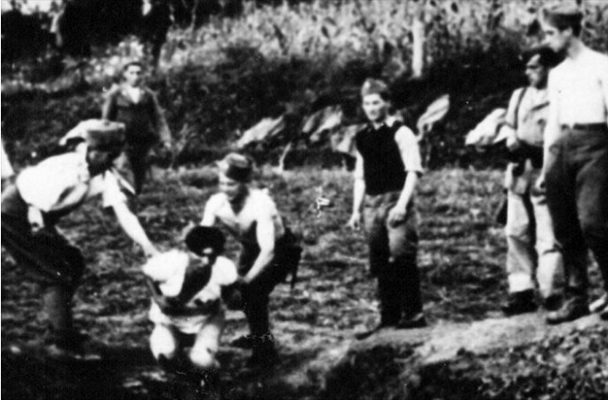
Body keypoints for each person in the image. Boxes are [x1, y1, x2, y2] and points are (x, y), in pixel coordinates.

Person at [1, 119, 160, 357]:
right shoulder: (66, 166)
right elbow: (28, 186)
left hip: (39, 217)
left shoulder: (105, 177)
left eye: (112, 154)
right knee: (55, 272)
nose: (106, 159)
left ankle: (60, 327)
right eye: (101, 152)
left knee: (73, 261)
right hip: (14, 214)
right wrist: (37, 222)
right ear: (89, 149)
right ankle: (60, 342)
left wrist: (147, 245)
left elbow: (124, 213)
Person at [200, 153, 302, 368]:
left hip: (280, 250)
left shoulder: (260, 204)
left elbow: (268, 250)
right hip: (250, 249)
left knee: (253, 293)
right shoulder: (216, 202)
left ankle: (265, 354)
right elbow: (202, 236)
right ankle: (259, 334)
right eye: (222, 183)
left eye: (231, 184)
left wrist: (245, 281)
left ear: (244, 183)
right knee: (238, 297)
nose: (225, 189)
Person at [541, 5, 608, 323]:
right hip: (561, 148)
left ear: (569, 31)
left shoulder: (601, 65)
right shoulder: (557, 73)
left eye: (551, 33)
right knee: (565, 227)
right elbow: (553, 123)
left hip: (595, 145)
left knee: (593, 222)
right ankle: (576, 297)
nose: (547, 39)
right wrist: (547, 165)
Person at [347, 79, 425, 340]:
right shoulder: (363, 137)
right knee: (379, 259)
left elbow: (412, 171)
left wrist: (402, 205)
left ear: (387, 103)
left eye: (376, 102)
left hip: (396, 200)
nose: (371, 108)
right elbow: (360, 176)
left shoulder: (401, 133)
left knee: (401, 253)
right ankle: (389, 316)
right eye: (367, 103)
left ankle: (413, 313)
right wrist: (356, 210)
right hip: (372, 204)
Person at [498, 47, 564, 316]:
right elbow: (508, 124)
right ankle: (521, 290)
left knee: (548, 234)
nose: (529, 72)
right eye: (527, 67)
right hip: (519, 170)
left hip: (547, 168)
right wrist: (510, 137)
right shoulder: (520, 95)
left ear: (549, 69)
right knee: (516, 231)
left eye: (534, 67)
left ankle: (552, 291)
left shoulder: (561, 96)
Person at [143, 226, 237, 394]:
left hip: (205, 320)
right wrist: (157, 297)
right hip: (170, 321)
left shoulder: (224, 268)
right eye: (201, 255)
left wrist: (222, 302)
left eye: (212, 256)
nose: (206, 261)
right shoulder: (170, 263)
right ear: (188, 250)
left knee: (201, 361)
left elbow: (229, 292)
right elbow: (148, 274)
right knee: (165, 354)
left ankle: (214, 376)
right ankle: (182, 375)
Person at [102, 61, 172, 194]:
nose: (135, 76)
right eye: (132, 73)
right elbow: (106, 121)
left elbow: (158, 119)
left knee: (140, 175)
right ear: (125, 74)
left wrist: (166, 139)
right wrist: (107, 144)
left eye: (138, 73)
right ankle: (124, 199)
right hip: (123, 142)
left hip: (143, 142)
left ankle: (138, 199)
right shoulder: (116, 94)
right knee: (123, 172)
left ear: (142, 75)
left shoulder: (148, 94)